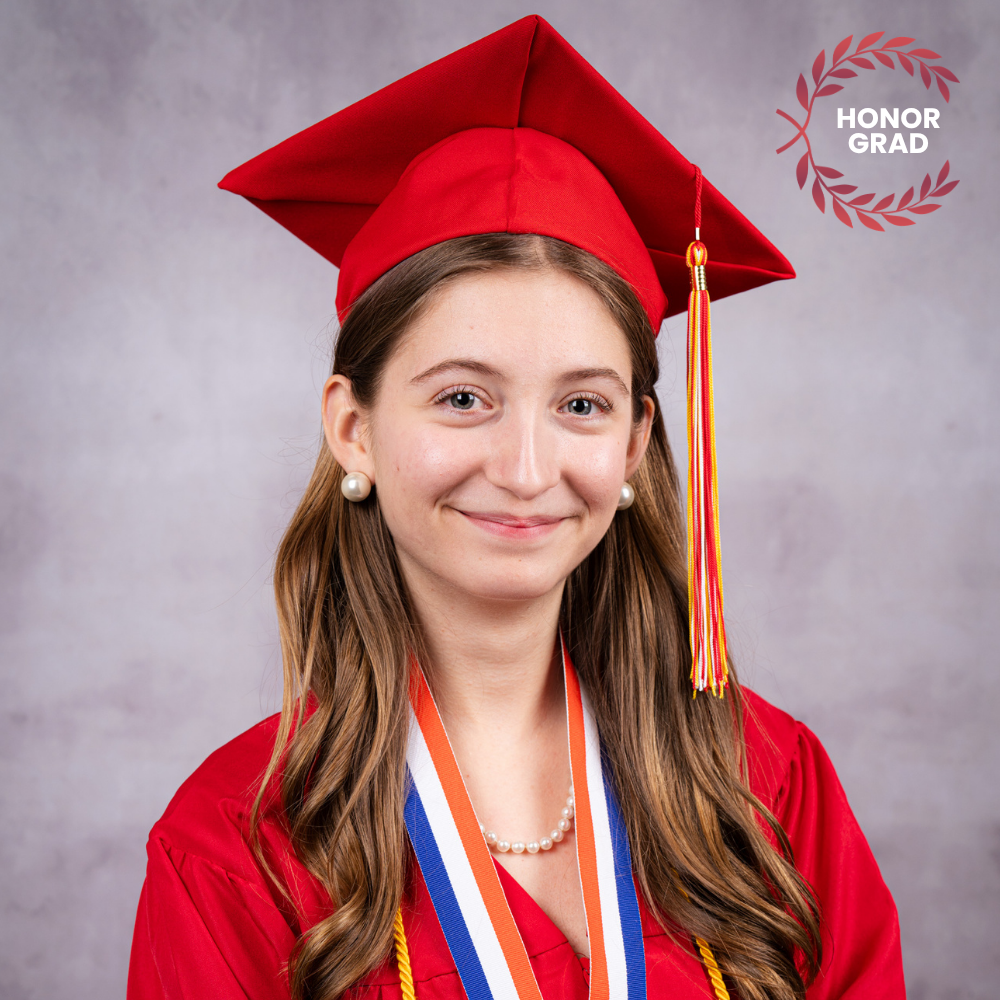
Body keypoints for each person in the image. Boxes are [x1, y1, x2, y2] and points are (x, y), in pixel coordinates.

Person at [127, 16, 905, 1000]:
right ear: (352, 428)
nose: (527, 467)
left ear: (631, 444)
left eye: (580, 404)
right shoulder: (237, 847)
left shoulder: (767, 783)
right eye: (463, 397)